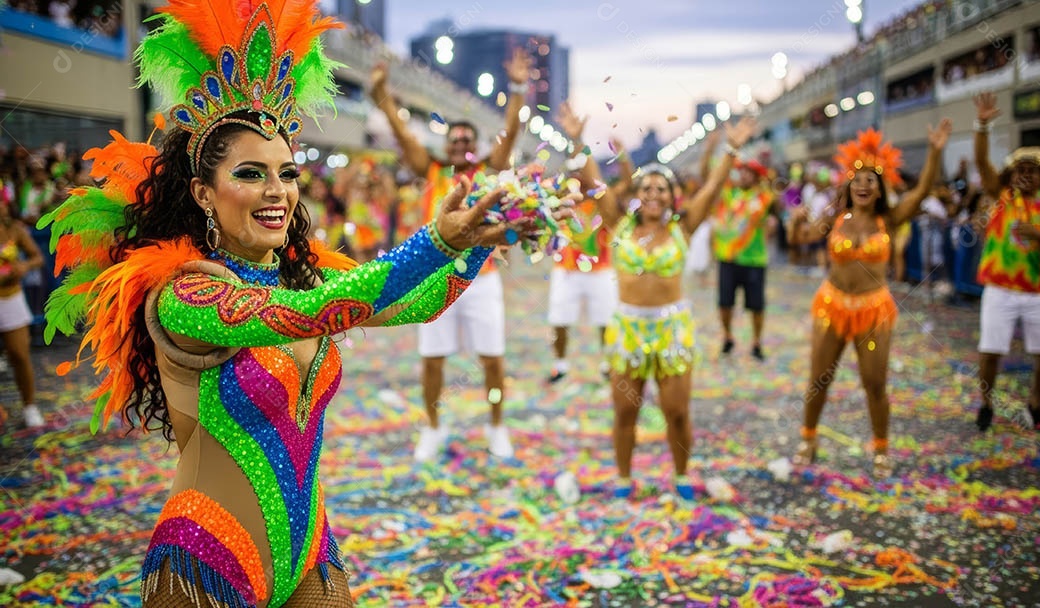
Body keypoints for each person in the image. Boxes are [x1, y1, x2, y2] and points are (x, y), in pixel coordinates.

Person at [39, 2, 551, 605]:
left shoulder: (295, 279)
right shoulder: (184, 294)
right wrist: (438, 239)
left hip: (310, 550)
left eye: (287, 173)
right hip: (208, 561)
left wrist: (482, 243)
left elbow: (421, 304)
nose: (277, 191)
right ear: (204, 191)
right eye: (252, 173)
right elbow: (315, 313)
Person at [370, 51, 531, 462]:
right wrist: (383, 98)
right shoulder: (434, 171)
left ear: (475, 147)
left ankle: (496, 426)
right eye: (454, 139)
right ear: (447, 145)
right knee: (433, 361)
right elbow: (404, 136)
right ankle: (434, 426)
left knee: (492, 359)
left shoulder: (489, 173)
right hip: (436, 280)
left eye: (467, 140)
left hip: (483, 280)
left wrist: (516, 89)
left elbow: (510, 135)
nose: (460, 144)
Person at [588, 112, 755, 499]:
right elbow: (594, 185)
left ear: (672, 196)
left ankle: (681, 476)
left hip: (671, 330)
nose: (653, 194)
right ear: (635, 194)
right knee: (625, 411)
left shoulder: (683, 227)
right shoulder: (621, 225)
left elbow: (712, 188)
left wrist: (731, 148)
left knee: (676, 412)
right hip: (628, 329)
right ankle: (624, 479)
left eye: (661, 188)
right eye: (646, 187)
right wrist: (581, 144)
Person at [791, 120, 952, 478]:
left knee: (874, 383)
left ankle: (880, 448)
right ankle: (808, 437)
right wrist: (794, 222)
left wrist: (936, 151)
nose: (864, 184)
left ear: (881, 187)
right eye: (858, 177)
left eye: (871, 178)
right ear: (847, 183)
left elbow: (924, 187)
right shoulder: (835, 217)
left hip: (873, 309)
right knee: (819, 377)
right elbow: (802, 238)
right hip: (832, 304)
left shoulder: (890, 219)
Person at [970, 93, 1040, 433]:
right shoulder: (1003, 198)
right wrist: (982, 125)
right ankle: (986, 403)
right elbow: (982, 163)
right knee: (991, 352)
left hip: (1039, 290)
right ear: (1012, 175)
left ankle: (1036, 405)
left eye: (1032, 171)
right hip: (1000, 289)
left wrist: (1039, 235)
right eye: (1020, 170)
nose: (1025, 175)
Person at [545, 103, 619, 384]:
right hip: (566, 270)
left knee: (605, 320)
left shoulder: (602, 202)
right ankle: (560, 364)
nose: (578, 178)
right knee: (559, 318)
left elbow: (598, 182)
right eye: (574, 174)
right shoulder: (561, 199)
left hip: (600, 270)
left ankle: (608, 364)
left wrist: (579, 142)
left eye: (583, 174)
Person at [699, 133, 780, 361]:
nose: (743, 175)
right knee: (725, 303)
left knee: (756, 306)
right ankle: (728, 336)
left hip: (754, 261)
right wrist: (709, 150)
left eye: (749, 172)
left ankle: (756, 341)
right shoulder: (728, 195)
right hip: (728, 259)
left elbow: (774, 211)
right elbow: (708, 177)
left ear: (756, 177)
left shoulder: (764, 197)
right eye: (741, 171)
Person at [0, 197, 45, 429]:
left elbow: (37, 257)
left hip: (11, 298)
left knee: (19, 354)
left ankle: (29, 406)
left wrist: (23, 267)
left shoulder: (14, 230)